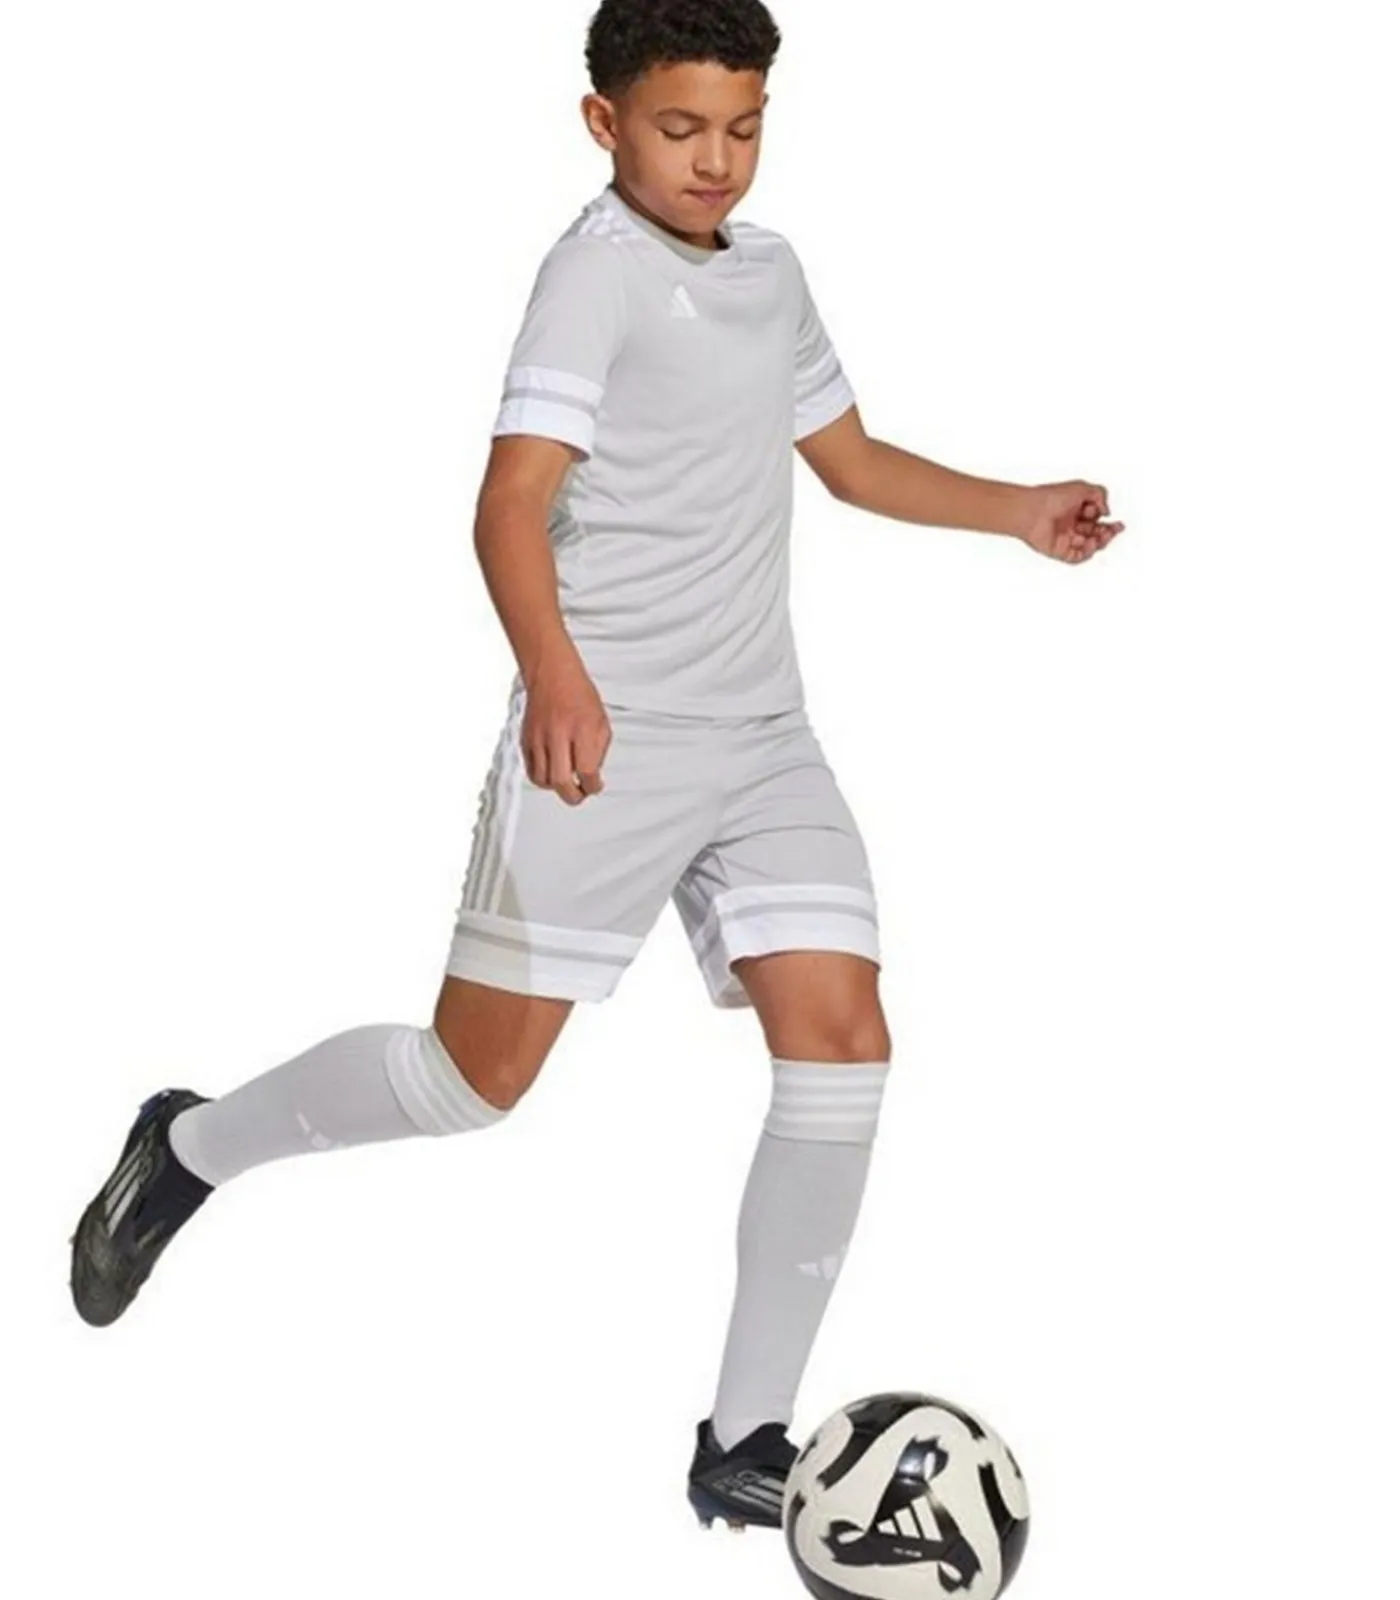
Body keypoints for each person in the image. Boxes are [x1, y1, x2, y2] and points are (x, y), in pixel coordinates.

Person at [69, 0, 1123, 1536]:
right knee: (470, 1083)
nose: (716, 160)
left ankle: (744, 1438)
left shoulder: (772, 273)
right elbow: (507, 505)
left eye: (744, 127)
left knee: (844, 1039)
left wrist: (1017, 508)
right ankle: (186, 1146)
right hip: (607, 743)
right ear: (604, 123)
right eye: (680, 128)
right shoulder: (594, 277)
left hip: (764, 741)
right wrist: (557, 677)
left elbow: (848, 460)